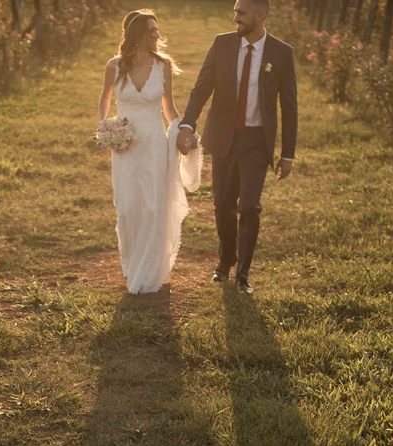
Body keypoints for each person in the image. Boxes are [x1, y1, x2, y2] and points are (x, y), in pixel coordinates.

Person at [177, 0, 297, 294]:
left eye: (241, 13)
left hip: (257, 142)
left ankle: (243, 274)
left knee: (250, 207)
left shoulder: (281, 53)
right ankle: (225, 260)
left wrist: (288, 154)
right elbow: (202, 87)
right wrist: (187, 124)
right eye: (234, 12)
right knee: (223, 206)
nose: (235, 19)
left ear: (260, 14)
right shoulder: (222, 45)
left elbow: (289, 106)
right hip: (224, 138)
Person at [98, 9, 202, 295]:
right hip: (125, 147)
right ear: (138, 36)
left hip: (154, 145)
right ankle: (132, 266)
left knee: (153, 207)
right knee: (129, 208)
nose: (158, 35)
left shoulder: (163, 66)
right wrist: (106, 129)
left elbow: (169, 109)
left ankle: (148, 273)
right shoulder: (114, 66)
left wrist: (184, 131)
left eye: (158, 30)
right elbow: (105, 98)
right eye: (152, 31)